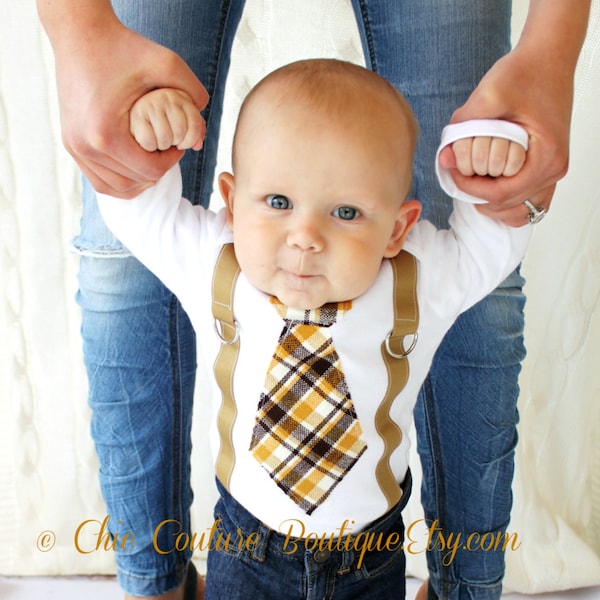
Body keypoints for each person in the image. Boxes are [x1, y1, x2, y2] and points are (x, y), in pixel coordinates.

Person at [36, 1, 591, 599]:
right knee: (115, 273)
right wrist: (151, 126)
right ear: (231, 197)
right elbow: (133, 204)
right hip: (246, 550)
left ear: (399, 227)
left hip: (370, 556)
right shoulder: (214, 260)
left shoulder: (420, 276)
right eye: (276, 202)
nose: (305, 236)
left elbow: (495, 237)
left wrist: (482, 168)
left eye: (346, 212)